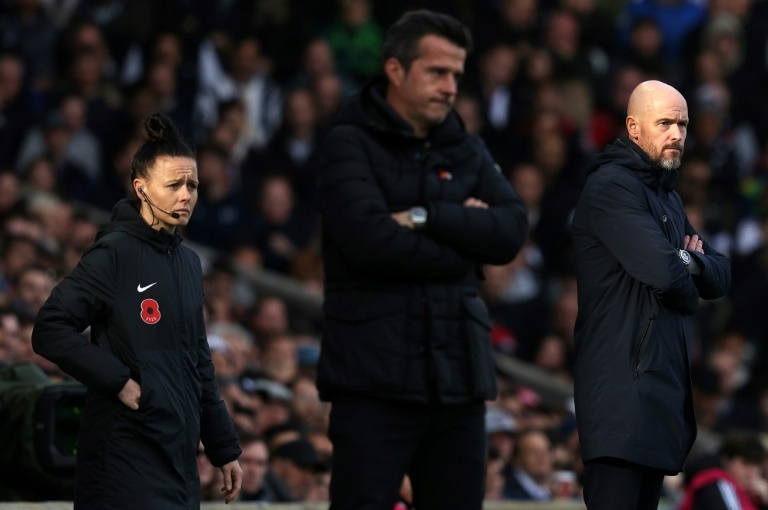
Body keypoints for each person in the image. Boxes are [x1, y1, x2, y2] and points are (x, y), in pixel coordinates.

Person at [315, 10, 529, 510]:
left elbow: (510, 230)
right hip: (372, 379)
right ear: (395, 70)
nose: (451, 86)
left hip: (457, 377)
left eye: (456, 73)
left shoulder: (468, 148)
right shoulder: (348, 144)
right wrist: (464, 243)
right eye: (437, 72)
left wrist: (424, 216)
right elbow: (371, 243)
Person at [31, 113, 243, 509]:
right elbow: (50, 328)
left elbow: (199, 360)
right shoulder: (114, 254)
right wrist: (119, 382)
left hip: (177, 461)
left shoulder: (189, 264)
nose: (186, 195)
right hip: (122, 457)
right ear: (141, 188)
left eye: (193, 185)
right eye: (174, 184)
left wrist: (223, 446)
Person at [571, 80, 731, 510]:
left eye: (682, 124)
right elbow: (666, 275)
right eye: (665, 123)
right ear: (634, 127)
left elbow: (719, 273)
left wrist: (688, 262)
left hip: (655, 398)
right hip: (622, 398)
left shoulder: (668, 197)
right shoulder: (612, 187)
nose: (677, 134)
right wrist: (684, 266)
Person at [680, 433, 768, 510]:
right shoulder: (716, 483)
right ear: (727, 461)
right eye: (746, 463)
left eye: (756, 465)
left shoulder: (753, 494)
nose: (751, 472)